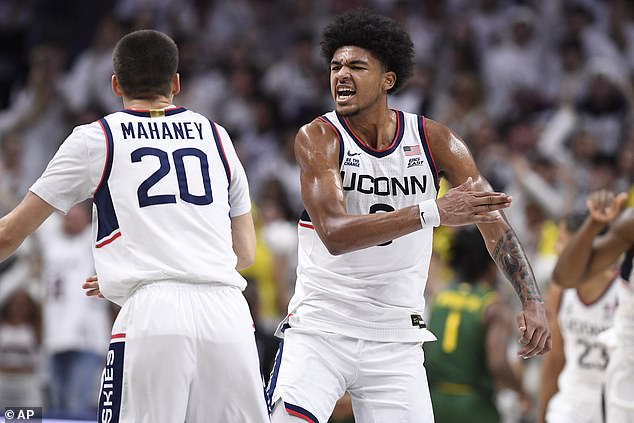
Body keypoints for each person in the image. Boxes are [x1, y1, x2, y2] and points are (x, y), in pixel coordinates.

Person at [266, 9, 550, 423]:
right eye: (335, 66)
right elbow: (334, 233)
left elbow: (495, 225)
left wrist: (532, 300)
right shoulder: (319, 137)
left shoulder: (436, 141)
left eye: (356, 66)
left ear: (388, 80)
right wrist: (432, 211)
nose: (341, 75)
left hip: (396, 338)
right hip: (322, 328)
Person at [0, 29, 269, 423]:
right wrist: (158, 261)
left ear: (115, 85)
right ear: (176, 83)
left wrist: (138, 270)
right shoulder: (217, 136)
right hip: (228, 316)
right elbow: (243, 253)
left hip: (153, 315)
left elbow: (10, 233)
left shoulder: (98, 138)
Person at [425, 226, 531, 423]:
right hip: (474, 405)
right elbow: (498, 363)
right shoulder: (492, 305)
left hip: (433, 402)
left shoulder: (439, 297)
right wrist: (521, 391)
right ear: (493, 265)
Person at [552, 190, 633, 423]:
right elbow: (564, 278)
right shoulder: (629, 224)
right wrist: (594, 224)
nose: (557, 248)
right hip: (621, 386)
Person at [539, 211, 620, 423]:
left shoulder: (624, 291)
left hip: (616, 402)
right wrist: (542, 414)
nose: (556, 248)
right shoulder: (560, 290)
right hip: (571, 403)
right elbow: (555, 358)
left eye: (562, 241)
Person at [37, 202, 111, 417]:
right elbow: (35, 210)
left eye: (75, 216)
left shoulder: (93, 239)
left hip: (87, 337)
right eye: (67, 216)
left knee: (76, 405)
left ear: (88, 219)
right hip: (55, 336)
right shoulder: (53, 240)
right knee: (56, 405)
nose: (68, 220)